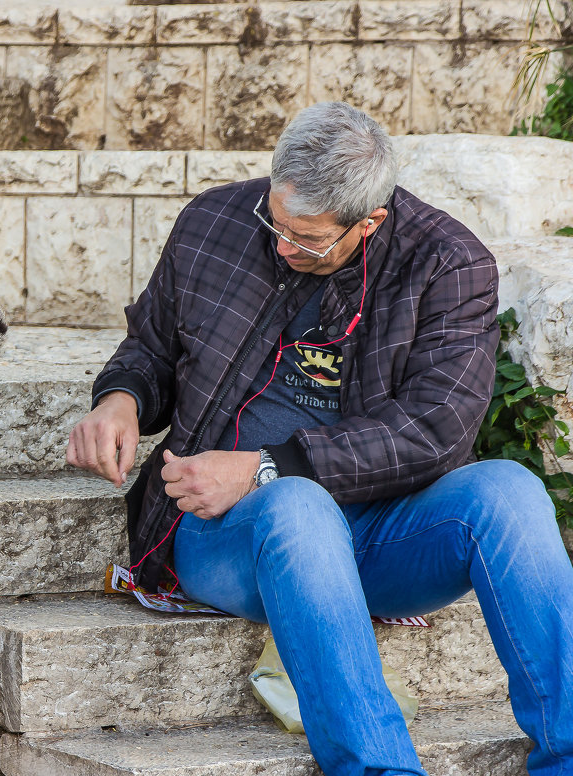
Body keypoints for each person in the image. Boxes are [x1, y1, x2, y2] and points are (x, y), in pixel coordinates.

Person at [66, 101, 573, 775]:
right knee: (295, 506)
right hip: (228, 532)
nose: (281, 246)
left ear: (370, 223)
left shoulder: (448, 265)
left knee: (509, 491)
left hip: (386, 535)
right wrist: (121, 401)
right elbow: (151, 349)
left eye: (306, 240)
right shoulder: (213, 223)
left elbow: (433, 432)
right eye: (275, 222)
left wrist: (268, 466)